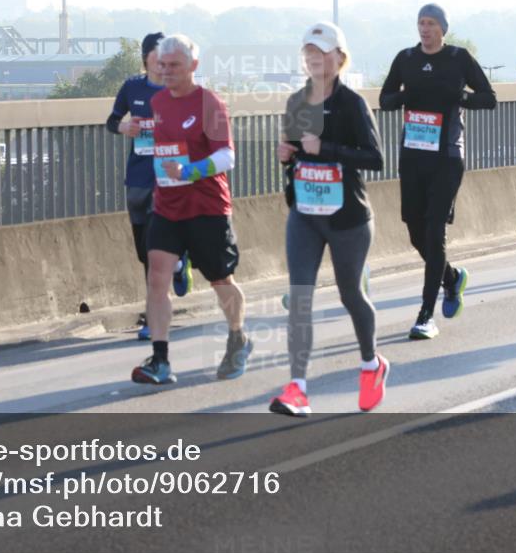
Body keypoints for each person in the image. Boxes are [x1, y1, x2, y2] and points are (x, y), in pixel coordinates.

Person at [269, 22, 388, 417]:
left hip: (348, 218)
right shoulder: (296, 103)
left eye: (321, 51)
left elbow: (375, 158)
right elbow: (295, 153)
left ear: (339, 57)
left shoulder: (352, 103)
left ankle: (371, 364)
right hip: (305, 213)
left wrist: (327, 148)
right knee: (299, 297)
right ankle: (297, 388)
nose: (314, 58)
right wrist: (289, 156)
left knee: (350, 294)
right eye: (308, 52)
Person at [131, 34, 253, 385]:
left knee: (220, 280)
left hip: (207, 207)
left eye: (174, 66)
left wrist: (190, 171)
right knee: (157, 277)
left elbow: (227, 155)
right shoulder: (156, 102)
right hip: (168, 205)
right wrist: (129, 128)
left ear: (193, 66)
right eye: (162, 65)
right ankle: (160, 360)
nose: (166, 71)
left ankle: (237, 337)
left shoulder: (209, 103)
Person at [379, 4, 496, 340]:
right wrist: (404, 96)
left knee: (434, 232)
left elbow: (489, 98)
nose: (425, 29)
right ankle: (451, 277)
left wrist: (459, 96)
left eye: (431, 23)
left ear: (443, 28)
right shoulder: (406, 59)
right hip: (413, 154)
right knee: (415, 231)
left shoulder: (459, 58)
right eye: (421, 23)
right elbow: (385, 99)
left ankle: (426, 315)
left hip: (447, 155)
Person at [107, 32, 192, 341]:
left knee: (158, 250)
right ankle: (181, 263)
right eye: (160, 56)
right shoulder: (133, 88)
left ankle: (151, 318)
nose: (165, 63)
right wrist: (123, 126)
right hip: (138, 179)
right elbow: (111, 120)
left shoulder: (181, 90)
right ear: (147, 59)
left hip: (169, 179)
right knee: (144, 251)